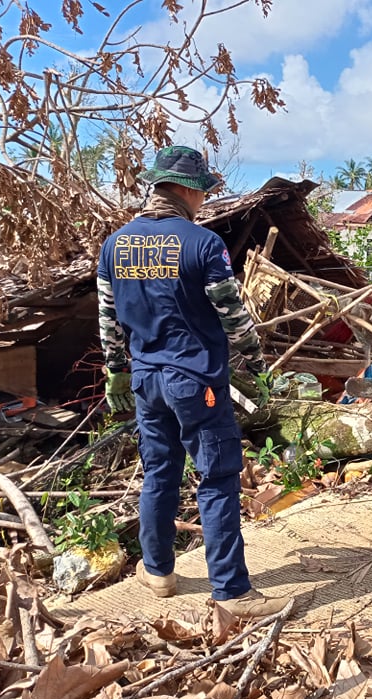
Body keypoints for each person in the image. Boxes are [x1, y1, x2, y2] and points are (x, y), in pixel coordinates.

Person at [97, 146, 289, 618]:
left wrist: (116, 370)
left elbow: (107, 319)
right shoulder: (203, 245)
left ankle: (158, 571)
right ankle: (232, 591)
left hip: (145, 380)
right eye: (202, 191)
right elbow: (233, 315)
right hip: (195, 379)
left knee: (160, 473)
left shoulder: (115, 245)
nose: (204, 201)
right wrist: (257, 363)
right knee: (218, 477)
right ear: (185, 190)